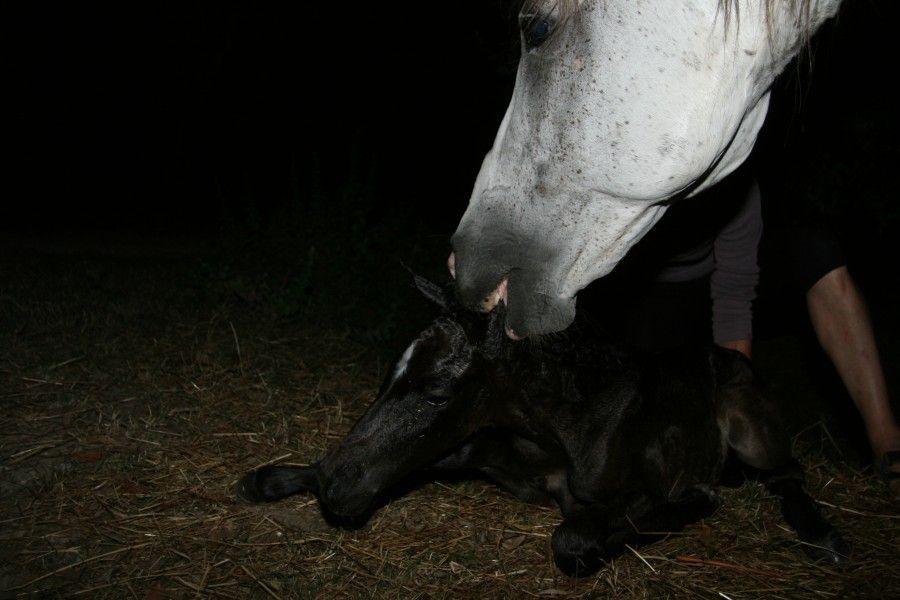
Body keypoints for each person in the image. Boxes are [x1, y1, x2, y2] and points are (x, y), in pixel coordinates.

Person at [580, 166, 900, 499]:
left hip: (718, 280)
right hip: (649, 296)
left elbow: (734, 295)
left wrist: (742, 411)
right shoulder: (619, 179)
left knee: (815, 250)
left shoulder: (733, 180)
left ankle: (887, 443)